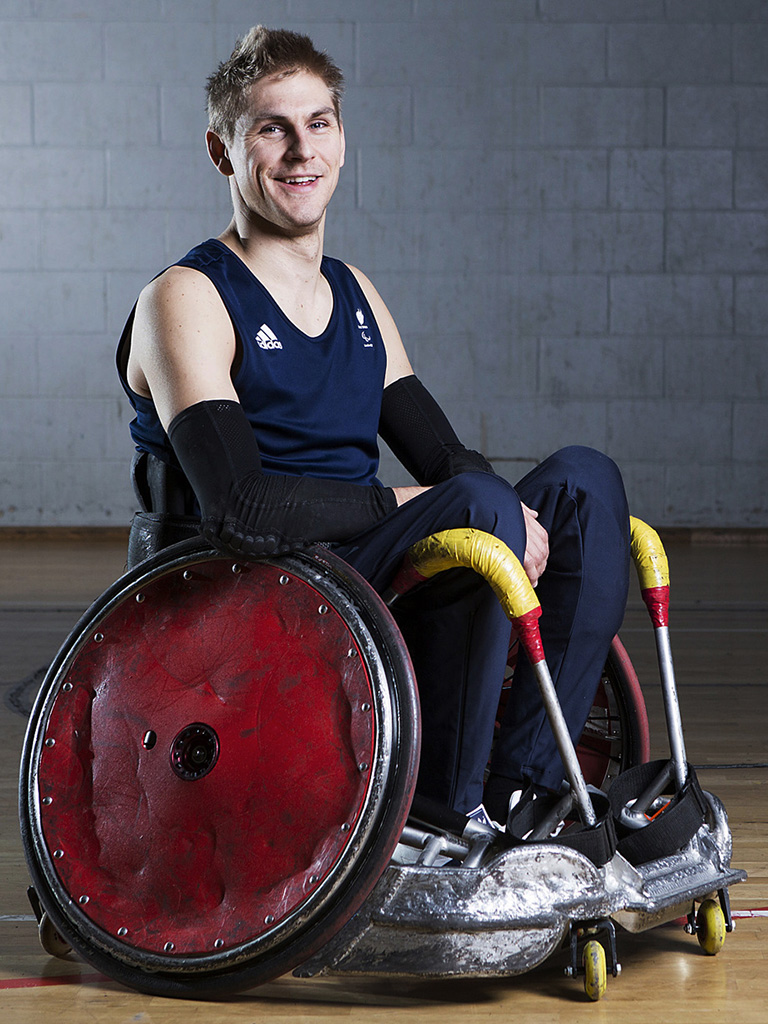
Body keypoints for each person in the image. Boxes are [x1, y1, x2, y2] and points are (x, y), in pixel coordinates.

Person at [117, 26, 630, 824]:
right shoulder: (187, 298)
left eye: (318, 123)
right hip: (258, 588)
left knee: (585, 484)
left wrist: (502, 510)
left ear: (343, 142)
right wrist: (446, 505)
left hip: (362, 567)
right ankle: (437, 813)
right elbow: (241, 509)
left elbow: (450, 459)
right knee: (477, 508)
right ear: (222, 152)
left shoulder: (355, 295)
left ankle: (524, 787)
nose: (299, 150)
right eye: (270, 127)